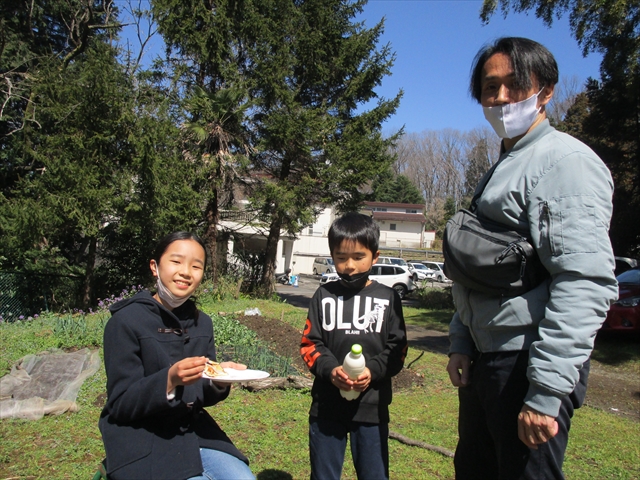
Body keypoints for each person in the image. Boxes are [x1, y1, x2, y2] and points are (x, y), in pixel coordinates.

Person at [445, 37, 618, 479]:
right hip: (488, 360)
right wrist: (462, 342)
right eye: (490, 86)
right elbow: (478, 268)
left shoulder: (565, 162)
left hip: (527, 364)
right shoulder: (505, 163)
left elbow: (584, 281)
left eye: (515, 84)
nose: (501, 97)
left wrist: (545, 393)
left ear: (546, 91)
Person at [99, 232, 254, 480]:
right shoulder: (126, 322)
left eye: (196, 266)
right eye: (176, 261)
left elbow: (200, 395)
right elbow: (120, 403)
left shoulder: (201, 323)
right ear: (155, 267)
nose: (186, 272)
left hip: (193, 431)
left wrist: (218, 380)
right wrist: (169, 380)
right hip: (141, 435)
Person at [300, 212, 408, 480]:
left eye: (359, 257)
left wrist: (373, 370)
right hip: (326, 407)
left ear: (375, 256)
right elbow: (309, 343)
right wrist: (330, 370)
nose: (349, 266)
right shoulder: (323, 295)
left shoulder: (388, 298)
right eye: (341, 257)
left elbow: (398, 348)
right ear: (331, 256)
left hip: (371, 408)